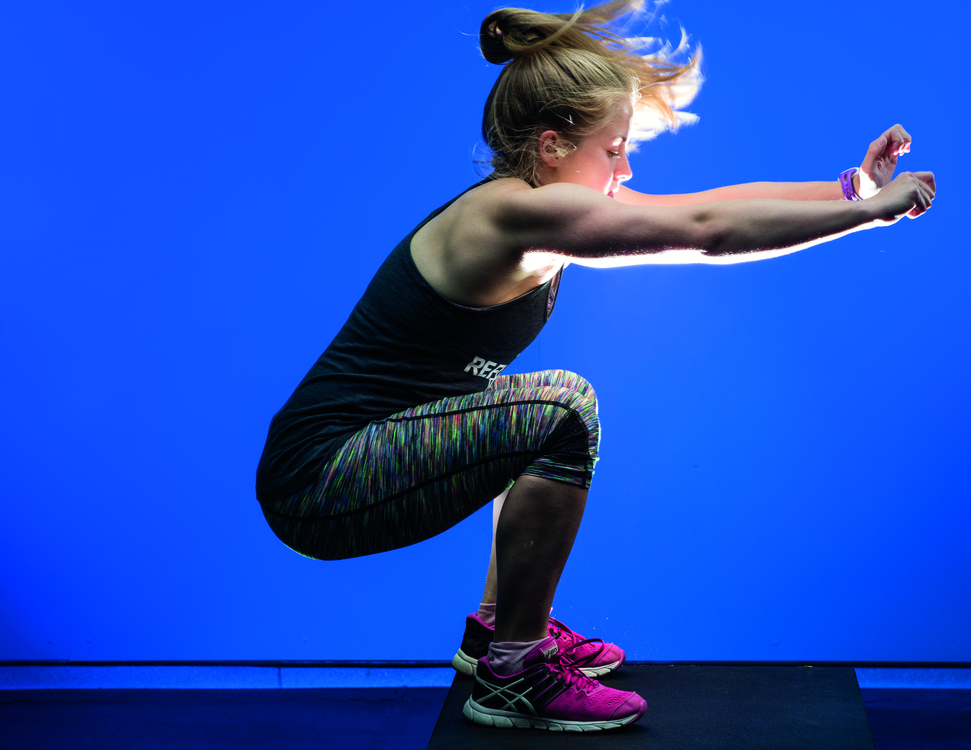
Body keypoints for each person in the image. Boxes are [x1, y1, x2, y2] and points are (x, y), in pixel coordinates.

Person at [254, 0, 934, 733]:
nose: (626, 167)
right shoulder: (509, 215)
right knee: (560, 409)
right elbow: (706, 232)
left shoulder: (544, 209)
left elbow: (703, 210)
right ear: (550, 145)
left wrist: (853, 190)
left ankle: (498, 630)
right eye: (613, 149)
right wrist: (871, 215)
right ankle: (512, 673)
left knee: (520, 414)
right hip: (319, 477)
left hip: (359, 461)